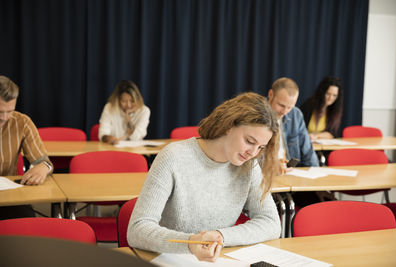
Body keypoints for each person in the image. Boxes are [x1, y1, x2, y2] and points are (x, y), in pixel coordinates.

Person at [128, 92, 281, 262]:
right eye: (250, 141)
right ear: (229, 125)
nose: (252, 153)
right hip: (170, 260)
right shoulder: (173, 157)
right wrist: (189, 243)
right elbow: (137, 230)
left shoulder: (250, 167)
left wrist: (220, 236)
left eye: (261, 147)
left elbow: (271, 222)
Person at [0, 75, 53, 219]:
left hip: (8, 196)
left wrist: (43, 167)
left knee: (28, 225)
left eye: (9, 111)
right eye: (0, 112)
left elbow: (44, 161)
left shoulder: (22, 122)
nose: (4, 118)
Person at [267, 77, 319, 169]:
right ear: (271, 94)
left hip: (291, 172)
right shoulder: (257, 114)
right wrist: (272, 165)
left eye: (289, 107)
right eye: (281, 105)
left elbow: (308, 152)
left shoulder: (296, 114)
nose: (284, 111)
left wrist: (315, 173)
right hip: (265, 172)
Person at [98, 80, 150, 145]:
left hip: (136, 151)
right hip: (113, 149)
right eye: (124, 101)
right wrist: (109, 138)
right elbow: (103, 133)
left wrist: (128, 120)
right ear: (118, 101)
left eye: (132, 101)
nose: (128, 105)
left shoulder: (144, 111)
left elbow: (136, 138)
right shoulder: (109, 108)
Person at [300, 76, 344, 141]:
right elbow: (298, 129)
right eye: (328, 94)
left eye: (334, 95)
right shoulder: (308, 105)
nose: (331, 98)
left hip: (323, 146)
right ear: (322, 92)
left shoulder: (335, 110)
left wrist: (317, 136)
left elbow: (333, 134)